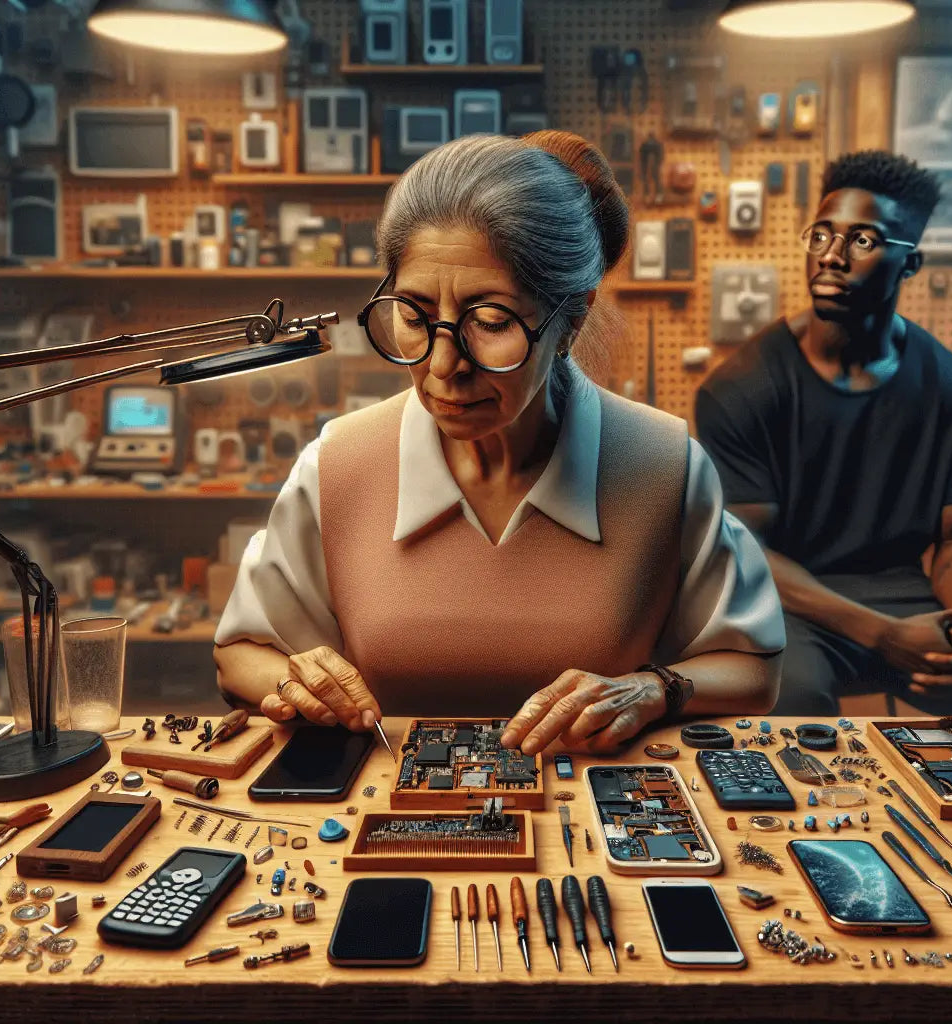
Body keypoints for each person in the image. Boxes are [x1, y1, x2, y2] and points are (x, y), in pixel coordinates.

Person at [214, 130, 784, 755]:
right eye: (413, 315)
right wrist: (296, 681)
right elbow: (241, 653)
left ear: (572, 319)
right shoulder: (340, 464)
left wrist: (654, 689)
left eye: (491, 322)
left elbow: (752, 668)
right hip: (377, 820)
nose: (443, 364)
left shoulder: (662, 464)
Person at [695, 149, 952, 715]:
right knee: (788, 696)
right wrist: (887, 637)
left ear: (910, 264)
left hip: (905, 596)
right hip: (791, 607)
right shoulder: (742, 387)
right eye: (821, 235)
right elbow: (748, 552)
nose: (832, 257)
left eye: (863, 241)